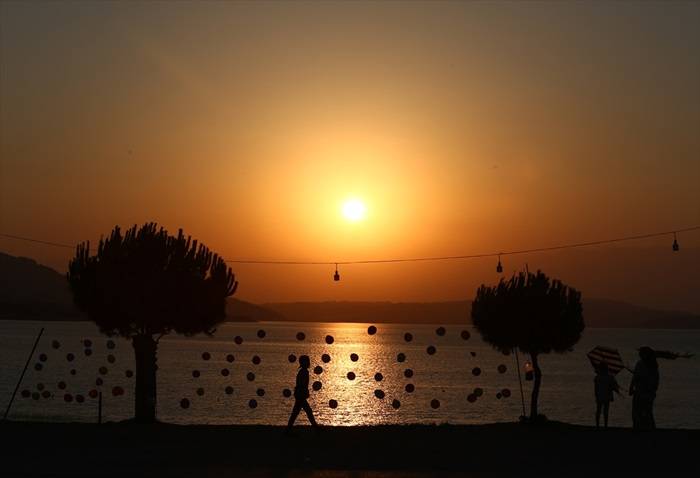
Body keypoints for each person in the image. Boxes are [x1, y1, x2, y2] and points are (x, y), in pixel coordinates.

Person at [286, 355, 319, 433]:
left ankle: (288, 429)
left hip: (299, 394)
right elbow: (302, 384)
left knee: (298, 412)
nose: (309, 363)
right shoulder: (304, 372)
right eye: (307, 361)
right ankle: (316, 428)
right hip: (300, 395)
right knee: (306, 411)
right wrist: (304, 392)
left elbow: (301, 384)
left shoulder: (302, 371)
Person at [629, 346, 659, 430]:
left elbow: (654, 382)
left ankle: (649, 430)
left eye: (641, 353)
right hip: (638, 392)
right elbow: (634, 377)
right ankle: (637, 428)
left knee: (647, 413)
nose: (639, 355)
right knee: (636, 413)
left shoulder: (653, 367)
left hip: (647, 394)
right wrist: (631, 387)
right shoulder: (639, 363)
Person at [594, 363, 620, 428]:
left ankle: (597, 425)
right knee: (606, 411)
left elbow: (596, 388)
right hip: (607, 396)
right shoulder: (610, 377)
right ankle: (605, 425)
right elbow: (614, 386)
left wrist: (596, 396)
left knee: (598, 410)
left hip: (600, 395)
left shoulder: (597, 377)